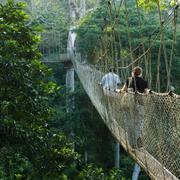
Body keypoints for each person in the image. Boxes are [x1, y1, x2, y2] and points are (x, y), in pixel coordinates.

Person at [121, 66, 149, 180]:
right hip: (139, 106)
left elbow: (124, 90)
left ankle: (131, 144)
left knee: (129, 124)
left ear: (133, 73)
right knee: (138, 125)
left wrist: (119, 91)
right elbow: (147, 93)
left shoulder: (129, 79)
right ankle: (137, 145)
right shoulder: (144, 81)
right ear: (141, 73)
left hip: (128, 105)